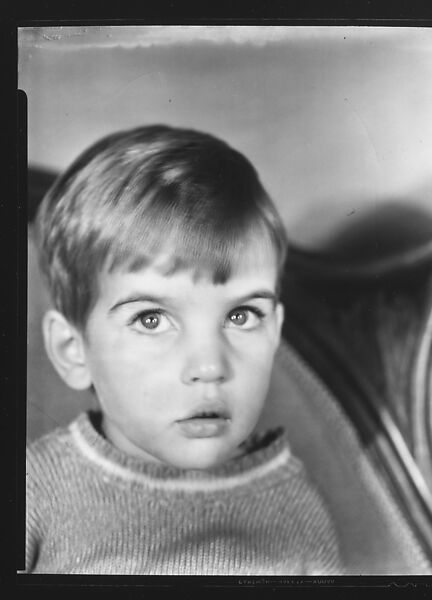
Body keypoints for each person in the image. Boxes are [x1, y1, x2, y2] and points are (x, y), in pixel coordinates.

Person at [24, 125, 342, 575]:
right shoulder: (34, 492)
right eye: (151, 319)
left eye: (241, 316)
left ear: (274, 334)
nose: (209, 366)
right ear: (73, 350)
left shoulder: (295, 505)